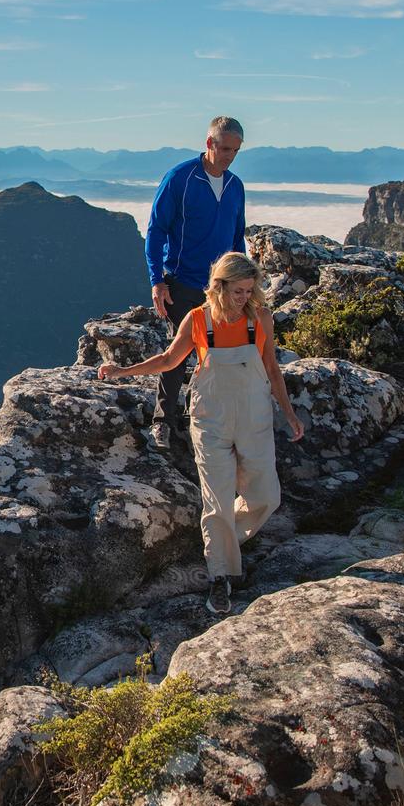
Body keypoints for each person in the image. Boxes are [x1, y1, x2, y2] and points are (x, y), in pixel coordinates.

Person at [98, 252, 303, 614]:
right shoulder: (197, 321)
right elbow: (167, 361)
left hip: (254, 419)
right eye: (237, 291)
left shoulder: (262, 320)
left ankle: (225, 540)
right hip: (210, 421)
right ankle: (219, 574)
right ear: (219, 286)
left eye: (248, 291)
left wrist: (289, 413)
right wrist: (121, 371)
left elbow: (272, 370)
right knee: (217, 499)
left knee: (266, 496)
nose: (244, 298)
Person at [145, 116, 248, 451]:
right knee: (179, 352)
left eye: (235, 150)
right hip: (183, 281)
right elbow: (156, 229)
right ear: (209, 143)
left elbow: (236, 237)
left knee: (217, 354)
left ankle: (202, 420)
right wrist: (157, 281)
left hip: (220, 286)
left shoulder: (235, 186)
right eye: (224, 148)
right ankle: (162, 422)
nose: (229, 156)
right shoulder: (181, 178)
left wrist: (242, 283)